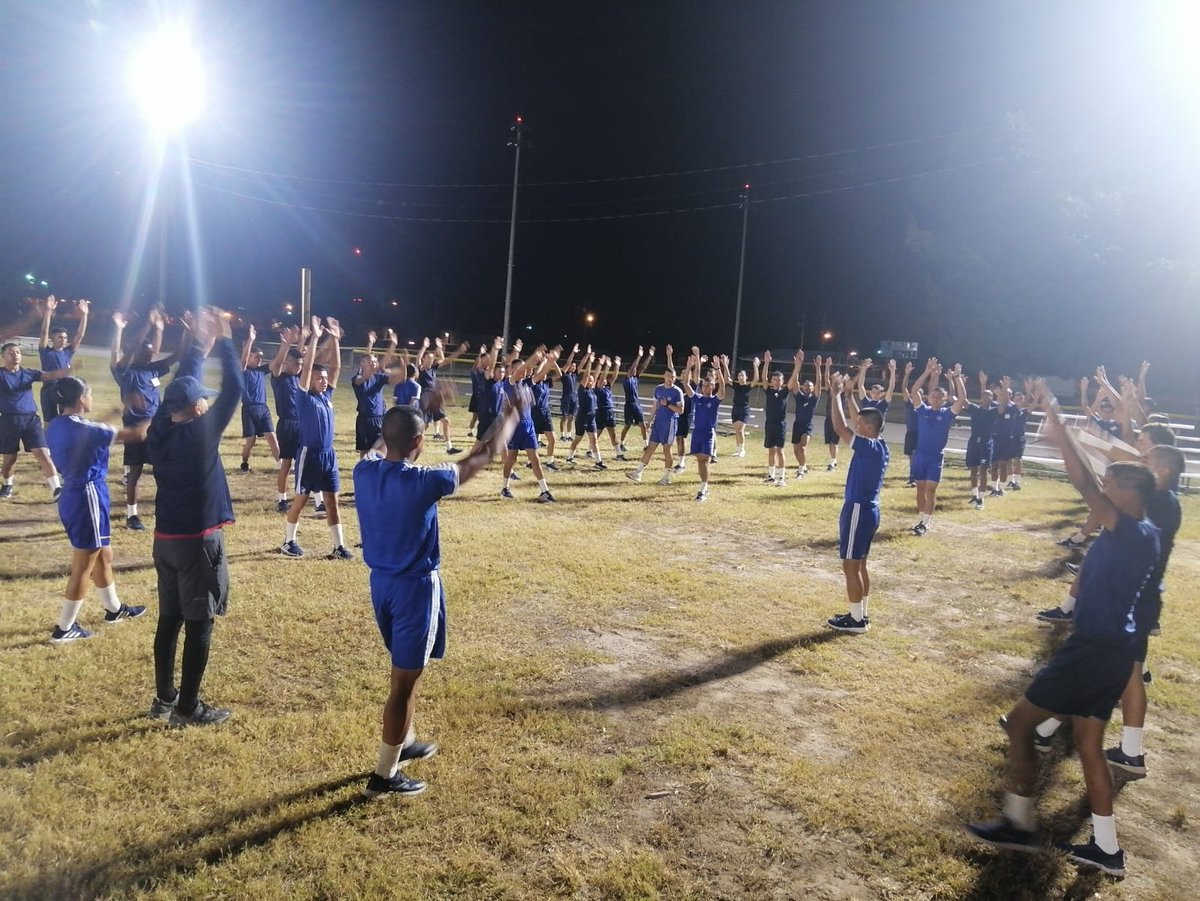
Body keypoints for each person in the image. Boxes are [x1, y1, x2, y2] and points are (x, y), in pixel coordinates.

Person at [968, 381, 1159, 878]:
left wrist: (1054, 414)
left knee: (1019, 724)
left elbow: (1083, 482)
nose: (1103, 491)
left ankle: (1018, 823)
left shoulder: (1129, 528)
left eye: (1112, 486)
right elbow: (1094, 483)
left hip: (1093, 651)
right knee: (1090, 747)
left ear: (1128, 494)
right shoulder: (1146, 532)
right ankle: (1107, 849)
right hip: (1113, 652)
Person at [354, 402, 518, 797]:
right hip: (415, 590)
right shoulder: (423, 481)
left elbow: (381, 446)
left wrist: (420, 412)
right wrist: (510, 419)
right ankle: (384, 776)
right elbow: (478, 460)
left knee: (401, 674)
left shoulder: (364, 470)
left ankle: (404, 740)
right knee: (404, 685)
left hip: (382, 585)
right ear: (419, 441)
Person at [146, 307, 244, 727]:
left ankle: (165, 697)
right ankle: (188, 708)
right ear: (196, 408)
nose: (207, 400)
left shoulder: (160, 430)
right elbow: (235, 388)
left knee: (169, 619)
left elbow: (179, 388)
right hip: (196, 543)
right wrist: (223, 337)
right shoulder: (200, 433)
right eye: (201, 398)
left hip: (165, 540)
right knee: (199, 622)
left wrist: (196, 346)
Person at [44, 377, 148, 643]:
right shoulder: (89, 430)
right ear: (81, 399)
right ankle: (64, 628)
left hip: (72, 493)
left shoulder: (55, 425)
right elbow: (136, 435)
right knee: (84, 564)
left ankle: (114, 610)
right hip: (87, 494)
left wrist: (114, 412)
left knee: (103, 553)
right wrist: (152, 414)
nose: (91, 399)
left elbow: (87, 430)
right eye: (89, 395)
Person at [281, 317, 351, 559]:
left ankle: (339, 546)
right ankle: (288, 541)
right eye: (319, 379)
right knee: (300, 500)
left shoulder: (326, 395)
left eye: (324, 379)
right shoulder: (304, 397)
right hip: (308, 454)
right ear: (309, 379)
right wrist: (314, 338)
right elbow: (309, 367)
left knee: (332, 502)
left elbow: (337, 369)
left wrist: (335, 339)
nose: (324, 381)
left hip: (328, 455)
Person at [824, 372, 888, 633]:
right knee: (860, 565)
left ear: (869, 428)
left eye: (860, 424)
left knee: (850, 565)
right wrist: (849, 396)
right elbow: (853, 420)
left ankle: (856, 621)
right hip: (869, 510)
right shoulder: (879, 444)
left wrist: (835, 395)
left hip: (858, 510)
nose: (855, 426)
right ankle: (861, 614)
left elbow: (840, 428)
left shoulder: (869, 447)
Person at [110, 309, 183, 529]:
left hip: (157, 427)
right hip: (135, 428)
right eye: (147, 351)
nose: (151, 354)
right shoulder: (125, 371)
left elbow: (178, 354)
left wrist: (186, 332)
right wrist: (146, 326)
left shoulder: (153, 370)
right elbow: (132, 347)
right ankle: (132, 515)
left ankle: (167, 508)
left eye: (152, 352)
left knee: (165, 469)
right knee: (136, 472)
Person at [904, 359, 967, 535]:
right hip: (920, 455)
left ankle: (925, 523)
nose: (936, 398)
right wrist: (926, 371)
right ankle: (920, 519)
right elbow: (914, 391)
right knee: (920, 488)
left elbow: (962, 399)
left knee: (931, 490)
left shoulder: (947, 414)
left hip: (935, 457)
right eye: (933, 396)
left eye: (940, 396)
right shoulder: (922, 410)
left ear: (944, 399)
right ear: (929, 397)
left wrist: (957, 377)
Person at [1, 340, 69, 500]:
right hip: (9, 421)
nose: (15, 355)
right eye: (11, 352)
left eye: (17, 352)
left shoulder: (28, 373)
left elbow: (49, 375)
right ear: (3, 356)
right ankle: (7, 483)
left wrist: (68, 371)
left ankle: (57, 489)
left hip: (31, 420)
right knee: (10, 459)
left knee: (43, 454)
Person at [499, 350, 555, 502]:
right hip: (515, 426)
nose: (527, 372)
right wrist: (534, 358)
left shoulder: (526, 383)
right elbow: (522, 370)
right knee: (512, 459)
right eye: (523, 369)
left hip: (528, 425)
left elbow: (542, 372)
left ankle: (545, 491)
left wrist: (550, 361)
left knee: (535, 458)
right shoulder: (509, 382)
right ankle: (505, 488)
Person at [627, 358, 685, 485]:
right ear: (664, 376)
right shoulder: (658, 389)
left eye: (673, 377)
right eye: (669, 376)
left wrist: (668, 404)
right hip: (658, 423)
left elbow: (681, 410)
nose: (671, 379)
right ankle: (638, 473)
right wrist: (649, 421)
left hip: (669, 423)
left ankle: (666, 477)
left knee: (666, 450)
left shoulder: (677, 391)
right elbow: (654, 406)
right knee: (650, 448)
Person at [269, 326, 306, 513]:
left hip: (302, 425)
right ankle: (282, 500)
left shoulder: (300, 379)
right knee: (287, 463)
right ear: (288, 363)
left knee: (305, 461)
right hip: (286, 424)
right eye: (296, 363)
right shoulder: (280, 378)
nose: (299, 366)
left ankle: (310, 496)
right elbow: (276, 365)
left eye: (301, 364)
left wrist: (304, 340)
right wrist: (286, 344)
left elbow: (303, 357)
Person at [683, 350, 726, 501]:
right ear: (702, 386)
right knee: (700, 461)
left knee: (705, 461)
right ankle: (704, 485)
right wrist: (689, 367)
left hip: (708, 434)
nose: (707, 388)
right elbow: (685, 384)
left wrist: (719, 369)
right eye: (705, 385)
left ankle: (703, 489)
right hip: (697, 433)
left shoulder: (715, 400)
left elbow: (723, 389)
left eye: (710, 386)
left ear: (713, 387)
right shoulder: (698, 398)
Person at [38, 296, 89, 422]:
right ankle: (49, 441)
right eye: (60, 337)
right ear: (52, 338)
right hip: (48, 390)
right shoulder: (45, 351)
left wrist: (84, 315)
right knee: (49, 420)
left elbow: (80, 335)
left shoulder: (68, 352)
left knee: (66, 418)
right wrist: (49, 311)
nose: (63, 340)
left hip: (65, 389)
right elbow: (44, 332)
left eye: (65, 338)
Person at [416, 336, 470, 454]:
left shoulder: (433, 368)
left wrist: (442, 348)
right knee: (424, 425)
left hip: (435, 398)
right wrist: (424, 346)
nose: (430, 360)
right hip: (425, 398)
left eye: (431, 359)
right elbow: (418, 357)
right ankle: (413, 446)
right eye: (428, 358)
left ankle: (449, 448)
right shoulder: (421, 369)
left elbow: (445, 359)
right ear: (424, 359)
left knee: (446, 421)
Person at [238, 325, 280, 473]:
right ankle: (244, 461)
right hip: (249, 409)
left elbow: (277, 362)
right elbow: (242, 361)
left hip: (263, 408)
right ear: (249, 357)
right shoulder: (243, 371)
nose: (260, 359)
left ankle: (281, 465)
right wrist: (250, 341)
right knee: (251, 441)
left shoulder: (261, 371)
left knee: (272, 438)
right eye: (257, 357)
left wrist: (285, 345)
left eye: (262, 357)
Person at [352, 331, 394, 460]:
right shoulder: (359, 376)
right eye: (370, 362)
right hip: (365, 420)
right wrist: (370, 343)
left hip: (379, 418)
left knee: (381, 450)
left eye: (374, 362)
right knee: (364, 453)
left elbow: (372, 361)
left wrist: (392, 345)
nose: (373, 363)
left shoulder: (377, 376)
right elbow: (367, 360)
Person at [961, 371, 999, 509]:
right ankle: (975, 496)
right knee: (973, 470)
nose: (985, 397)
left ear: (992, 398)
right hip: (973, 442)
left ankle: (982, 499)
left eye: (989, 396)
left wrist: (1004, 391)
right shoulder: (975, 409)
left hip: (986, 443)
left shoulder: (993, 411)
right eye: (984, 395)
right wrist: (959, 381)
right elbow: (963, 399)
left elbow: (1003, 405)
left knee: (983, 471)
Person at [759, 349, 795, 487]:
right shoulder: (768, 391)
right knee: (771, 450)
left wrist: (797, 365)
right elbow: (763, 378)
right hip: (769, 424)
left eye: (779, 379)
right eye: (774, 379)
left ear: (782, 381)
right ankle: (771, 475)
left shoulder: (785, 392)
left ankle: (781, 478)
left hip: (780, 425)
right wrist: (766, 363)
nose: (776, 381)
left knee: (780, 451)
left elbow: (792, 380)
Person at [564, 350, 605, 469]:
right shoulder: (582, 390)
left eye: (593, 381)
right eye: (590, 381)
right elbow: (587, 375)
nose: (592, 382)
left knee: (594, 440)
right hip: (583, 418)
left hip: (592, 418)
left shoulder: (592, 390)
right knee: (578, 439)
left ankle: (598, 462)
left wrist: (600, 365)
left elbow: (596, 375)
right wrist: (590, 363)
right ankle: (569, 457)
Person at [788, 352, 822, 479]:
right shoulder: (799, 396)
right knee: (796, 451)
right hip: (797, 425)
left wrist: (818, 367)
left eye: (810, 386)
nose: (807, 387)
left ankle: (801, 471)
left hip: (807, 427)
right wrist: (797, 365)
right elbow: (795, 382)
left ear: (813, 389)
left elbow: (819, 385)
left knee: (802, 448)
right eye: (806, 386)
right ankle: (803, 466)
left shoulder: (814, 398)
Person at [618, 345, 653, 457]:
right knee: (627, 426)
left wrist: (649, 356)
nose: (634, 370)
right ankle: (621, 443)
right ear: (628, 371)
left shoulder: (635, 378)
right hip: (629, 405)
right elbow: (635, 366)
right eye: (632, 369)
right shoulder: (626, 379)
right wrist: (639, 356)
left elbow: (643, 367)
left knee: (642, 424)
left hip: (636, 404)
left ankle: (646, 445)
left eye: (634, 370)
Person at [729, 359, 755, 458]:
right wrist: (726, 365)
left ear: (746, 377)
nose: (740, 377)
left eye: (742, 375)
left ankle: (742, 449)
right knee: (736, 430)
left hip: (744, 409)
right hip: (735, 408)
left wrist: (756, 367)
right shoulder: (736, 386)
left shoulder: (748, 387)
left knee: (740, 430)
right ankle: (738, 449)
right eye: (739, 375)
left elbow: (756, 379)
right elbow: (728, 379)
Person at [557, 344, 580, 441]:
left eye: (575, 366)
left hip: (574, 397)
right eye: (572, 365)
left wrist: (587, 355)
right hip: (566, 397)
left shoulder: (574, 375)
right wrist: (573, 353)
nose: (574, 367)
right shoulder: (564, 374)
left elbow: (582, 364)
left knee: (571, 417)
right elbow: (567, 363)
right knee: (564, 417)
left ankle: (569, 435)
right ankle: (562, 435)